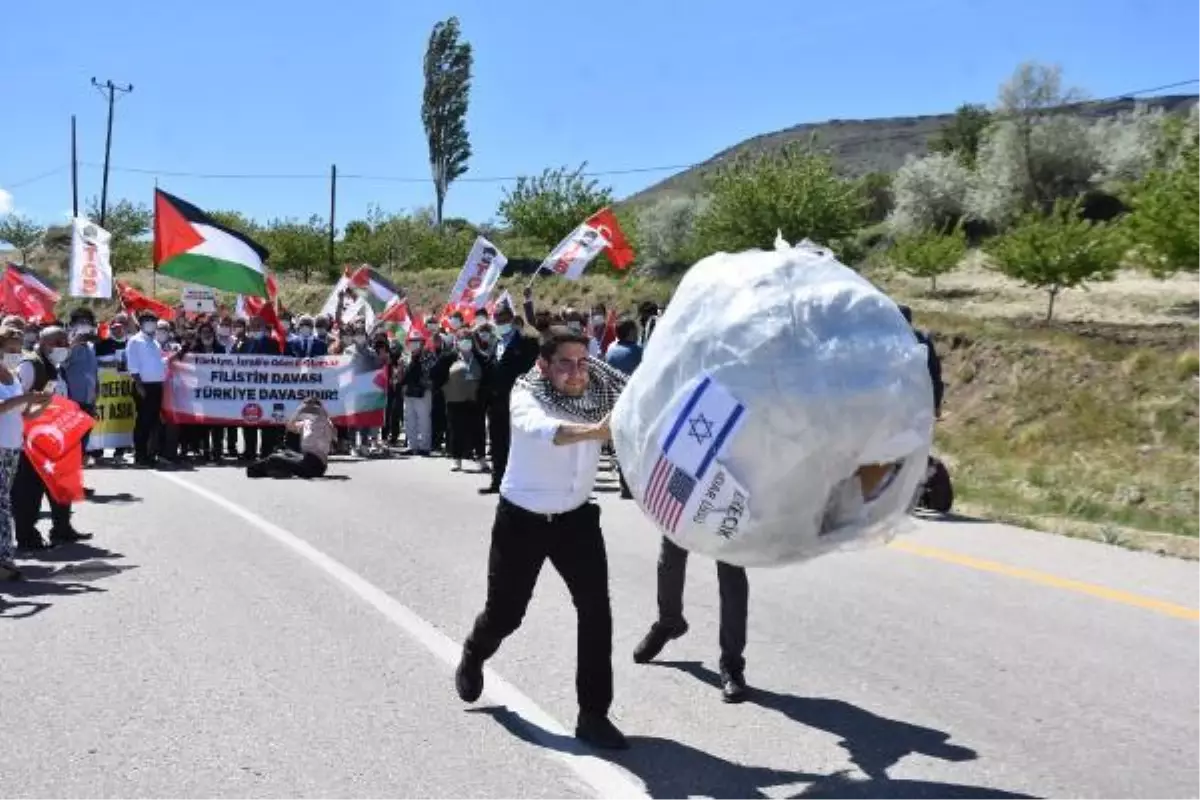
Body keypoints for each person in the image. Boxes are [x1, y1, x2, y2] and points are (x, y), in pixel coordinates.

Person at [456, 327, 630, 750]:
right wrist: (598, 432)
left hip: (577, 519)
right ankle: (475, 651)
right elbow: (547, 431)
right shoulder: (526, 394)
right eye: (565, 364)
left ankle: (593, 713)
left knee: (596, 611)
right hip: (523, 519)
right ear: (544, 365)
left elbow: (650, 400)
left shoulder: (603, 385)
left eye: (581, 361)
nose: (575, 372)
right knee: (506, 614)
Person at [13, 326, 91, 548]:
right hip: (32, 440)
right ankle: (27, 537)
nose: (65, 347)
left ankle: (62, 528)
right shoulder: (30, 365)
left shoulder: (54, 365)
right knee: (29, 491)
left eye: (66, 342)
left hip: (56, 436)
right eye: (59, 342)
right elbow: (18, 400)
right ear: (45, 343)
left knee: (62, 484)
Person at [0, 325, 53, 579]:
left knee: (4, 501)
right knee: (2, 504)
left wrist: (42, 404)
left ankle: (5, 557)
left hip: (12, 446)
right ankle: (5, 558)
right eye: (10, 348)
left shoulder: (14, 376)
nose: (14, 352)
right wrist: (26, 398)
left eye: (17, 348)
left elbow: (24, 415)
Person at [477, 303, 539, 495]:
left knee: (518, 443)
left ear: (512, 319)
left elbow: (532, 371)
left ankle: (521, 483)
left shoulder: (527, 342)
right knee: (497, 442)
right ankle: (498, 480)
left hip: (518, 401)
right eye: (497, 319)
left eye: (504, 318)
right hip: (497, 401)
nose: (500, 322)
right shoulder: (496, 342)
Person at [246, 397, 334, 479]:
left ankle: (257, 470)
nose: (309, 412)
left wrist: (316, 409)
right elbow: (290, 426)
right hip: (307, 458)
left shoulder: (324, 423)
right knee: (284, 452)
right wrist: (298, 410)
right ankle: (274, 470)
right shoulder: (307, 422)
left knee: (274, 458)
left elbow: (329, 429)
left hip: (314, 466)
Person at [604, 318, 643, 499]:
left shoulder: (611, 350)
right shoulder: (637, 352)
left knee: (620, 442)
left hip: (614, 402)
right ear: (629, 333)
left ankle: (623, 483)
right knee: (635, 444)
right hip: (633, 403)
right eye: (635, 331)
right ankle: (633, 484)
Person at [125, 311, 168, 466]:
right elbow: (133, 366)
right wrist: (139, 385)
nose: (151, 323)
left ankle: (149, 453)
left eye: (153, 320)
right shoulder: (135, 341)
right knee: (143, 421)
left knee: (152, 421)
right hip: (143, 386)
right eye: (147, 320)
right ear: (141, 323)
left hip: (156, 386)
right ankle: (140, 455)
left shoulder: (155, 342)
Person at [442, 331, 487, 473]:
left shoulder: (481, 358)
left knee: (478, 429)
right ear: (457, 342)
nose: (465, 342)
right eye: (462, 340)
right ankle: (456, 459)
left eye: (468, 339)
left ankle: (481, 459)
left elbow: (488, 376)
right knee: (456, 430)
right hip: (455, 400)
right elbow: (437, 375)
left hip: (475, 400)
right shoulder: (449, 357)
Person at [898, 305, 943, 417]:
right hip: (918, 398)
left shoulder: (889, 340)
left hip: (900, 399)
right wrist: (936, 404)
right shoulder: (922, 339)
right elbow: (935, 373)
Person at [400, 333, 435, 455]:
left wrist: (417, 358)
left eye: (417, 341)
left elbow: (429, 371)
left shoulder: (428, 355)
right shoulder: (405, 355)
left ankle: (425, 446)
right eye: (412, 341)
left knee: (424, 419)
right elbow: (401, 373)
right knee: (409, 419)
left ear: (422, 343)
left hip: (423, 391)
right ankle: (412, 445)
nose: (414, 343)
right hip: (408, 391)